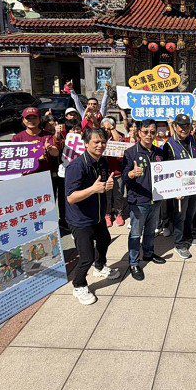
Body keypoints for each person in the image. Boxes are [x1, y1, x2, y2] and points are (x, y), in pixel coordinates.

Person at [65, 128, 119, 305]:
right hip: (80, 219)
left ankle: (100, 266)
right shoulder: (76, 166)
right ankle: (78, 285)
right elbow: (71, 198)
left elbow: (101, 187)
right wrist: (93, 189)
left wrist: (107, 186)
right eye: (96, 142)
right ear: (86, 144)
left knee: (104, 240)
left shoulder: (102, 162)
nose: (100, 145)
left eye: (103, 142)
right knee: (86, 256)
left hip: (97, 216)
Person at [122, 119, 168, 280]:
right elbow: (124, 177)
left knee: (150, 231)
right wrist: (131, 174)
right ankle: (133, 262)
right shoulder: (131, 153)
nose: (149, 135)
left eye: (152, 132)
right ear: (139, 132)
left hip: (155, 199)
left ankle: (148, 253)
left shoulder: (160, 152)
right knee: (135, 233)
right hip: (138, 201)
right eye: (145, 131)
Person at [164, 114, 196, 259]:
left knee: (190, 213)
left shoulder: (192, 140)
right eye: (181, 126)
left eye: (187, 126)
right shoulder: (169, 145)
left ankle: (188, 236)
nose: (184, 129)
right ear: (175, 126)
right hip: (179, 188)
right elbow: (166, 169)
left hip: (194, 185)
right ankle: (179, 244)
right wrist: (174, 189)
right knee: (180, 215)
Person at [11, 107, 60, 174]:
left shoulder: (48, 136)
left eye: (34, 118)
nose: (31, 120)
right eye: (28, 118)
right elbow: (12, 158)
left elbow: (56, 153)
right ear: (23, 120)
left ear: (40, 119)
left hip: (45, 175)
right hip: (24, 176)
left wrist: (50, 148)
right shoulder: (17, 138)